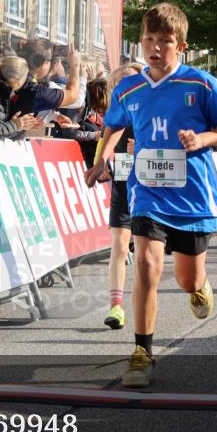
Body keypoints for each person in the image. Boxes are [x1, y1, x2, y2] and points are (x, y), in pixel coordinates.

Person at [84, 3, 217, 388]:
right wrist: (100, 160)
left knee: (188, 280)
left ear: (181, 46)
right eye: (149, 39)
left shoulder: (202, 84)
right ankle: (142, 353)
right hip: (147, 194)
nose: (155, 48)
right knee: (146, 264)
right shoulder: (128, 87)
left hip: (192, 198)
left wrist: (201, 139)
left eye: (165, 41)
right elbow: (113, 125)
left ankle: (200, 286)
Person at [97, 63, 142, 330]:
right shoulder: (115, 112)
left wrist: (145, 148)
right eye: (122, 83)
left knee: (148, 250)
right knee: (120, 245)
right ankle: (116, 306)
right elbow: (106, 139)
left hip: (153, 184)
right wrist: (100, 163)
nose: (129, 88)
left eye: (134, 81)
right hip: (124, 177)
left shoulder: (155, 107)